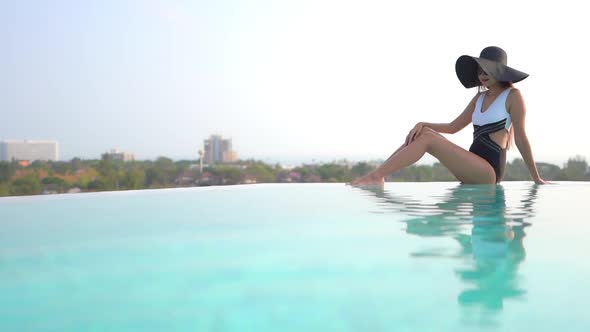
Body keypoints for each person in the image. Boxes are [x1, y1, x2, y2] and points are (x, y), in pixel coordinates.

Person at [351, 46, 547, 186]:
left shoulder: (513, 96)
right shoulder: (478, 98)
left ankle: (376, 177)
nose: (482, 74)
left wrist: (535, 177)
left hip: (489, 172)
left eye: (487, 69)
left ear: (500, 72)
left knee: (427, 137)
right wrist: (422, 123)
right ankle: (378, 176)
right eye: (479, 70)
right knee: (423, 133)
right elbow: (454, 127)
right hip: (472, 165)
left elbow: (521, 138)